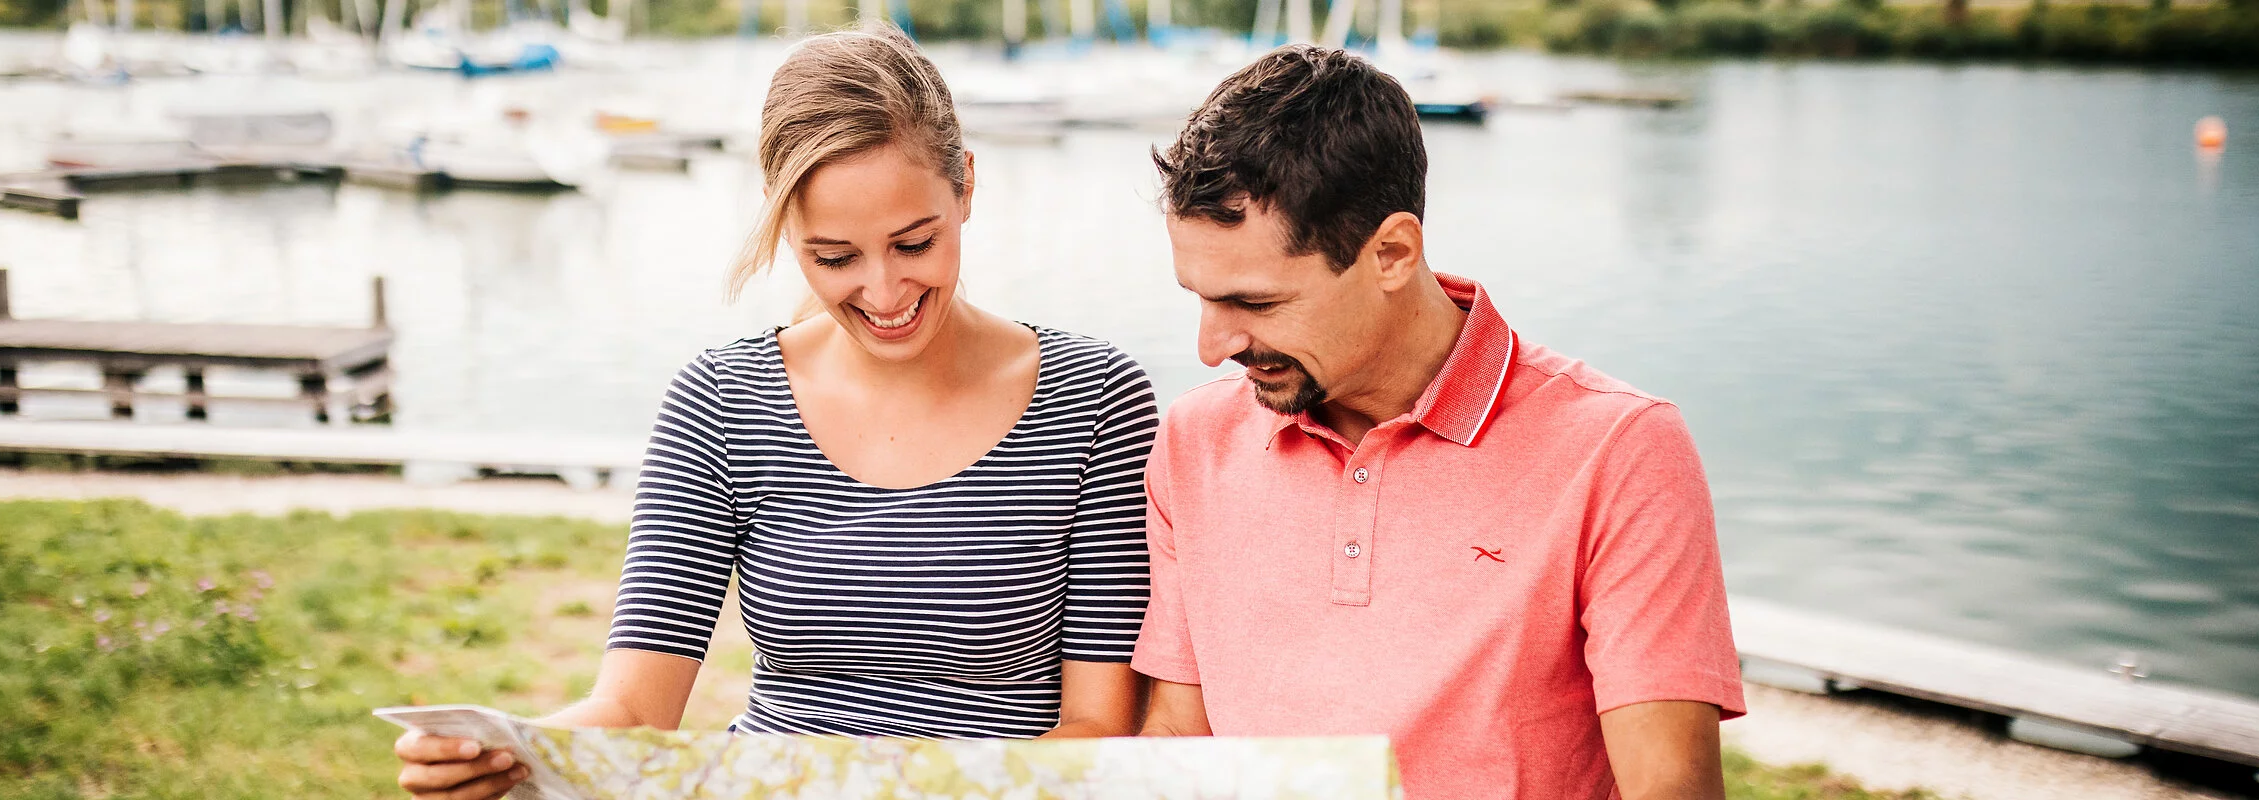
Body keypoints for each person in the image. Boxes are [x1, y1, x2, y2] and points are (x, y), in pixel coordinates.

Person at [392, 26, 1159, 800]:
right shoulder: (722, 400)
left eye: (915, 243)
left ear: (964, 185)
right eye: (834, 257)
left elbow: (1097, 726)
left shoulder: (1094, 399)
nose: (885, 293)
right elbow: (633, 704)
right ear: (781, 217)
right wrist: (510, 755)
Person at [1131, 45, 1746, 800]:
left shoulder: (1622, 449)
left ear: (1391, 252)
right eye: (1199, 295)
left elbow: (1670, 791)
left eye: (1256, 304)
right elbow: (1179, 740)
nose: (1211, 347)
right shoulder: (1195, 442)